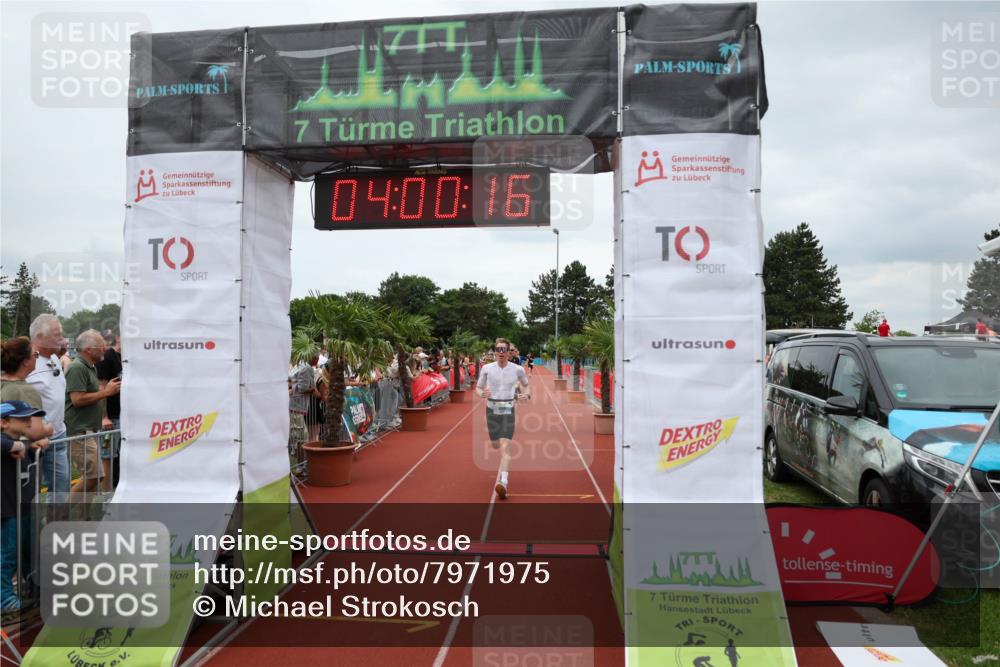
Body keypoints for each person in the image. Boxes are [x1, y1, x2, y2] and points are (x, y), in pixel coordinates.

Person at [65, 330, 120, 504]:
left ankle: (83, 518)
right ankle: (56, 513)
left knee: (94, 477)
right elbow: (77, 399)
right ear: (88, 349)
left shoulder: (89, 366)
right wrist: (106, 392)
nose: (105, 348)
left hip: (88, 431)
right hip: (79, 431)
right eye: (100, 346)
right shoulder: (77, 367)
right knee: (94, 476)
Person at [2, 401, 46, 613]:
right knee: (8, 552)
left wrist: (28, 445)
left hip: (26, 506)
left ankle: (34, 585)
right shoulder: (6, 443)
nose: (30, 421)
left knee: (31, 548)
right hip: (7, 509)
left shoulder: (21, 442)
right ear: (3, 422)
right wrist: (15, 446)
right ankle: (3, 598)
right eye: (23, 418)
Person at [476, 338, 531, 500]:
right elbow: (478, 389)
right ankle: (503, 477)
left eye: (503, 350)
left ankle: (503, 481)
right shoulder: (486, 369)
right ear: (495, 352)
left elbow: (526, 385)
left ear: (508, 352)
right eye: (497, 349)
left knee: (506, 447)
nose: (500, 353)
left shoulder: (518, 369)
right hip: (491, 410)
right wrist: (481, 394)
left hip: (508, 409)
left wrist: (526, 394)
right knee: (495, 444)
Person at [27, 314, 70, 497]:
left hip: (58, 436)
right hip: (33, 440)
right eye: (57, 335)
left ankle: (54, 525)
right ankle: (34, 525)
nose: (63, 339)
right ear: (39, 337)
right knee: (30, 494)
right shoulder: (27, 363)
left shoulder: (53, 358)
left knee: (61, 492)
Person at [95, 329, 122, 491]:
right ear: (118, 338)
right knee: (107, 457)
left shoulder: (124, 358)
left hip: (123, 415)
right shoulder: (107, 357)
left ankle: (117, 491)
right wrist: (104, 417)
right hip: (111, 417)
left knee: (117, 457)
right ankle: (106, 498)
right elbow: (101, 388)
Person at [289, 354, 319, 450]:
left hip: (296, 406)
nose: (317, 360)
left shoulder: (302, 365)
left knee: (299, 436)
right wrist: (313, 390)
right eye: (316, 358)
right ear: (313, 358)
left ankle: (299, 459)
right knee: (302, 437)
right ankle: (301, 462)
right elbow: (302, 389)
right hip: (297, 406)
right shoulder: (306, 368)